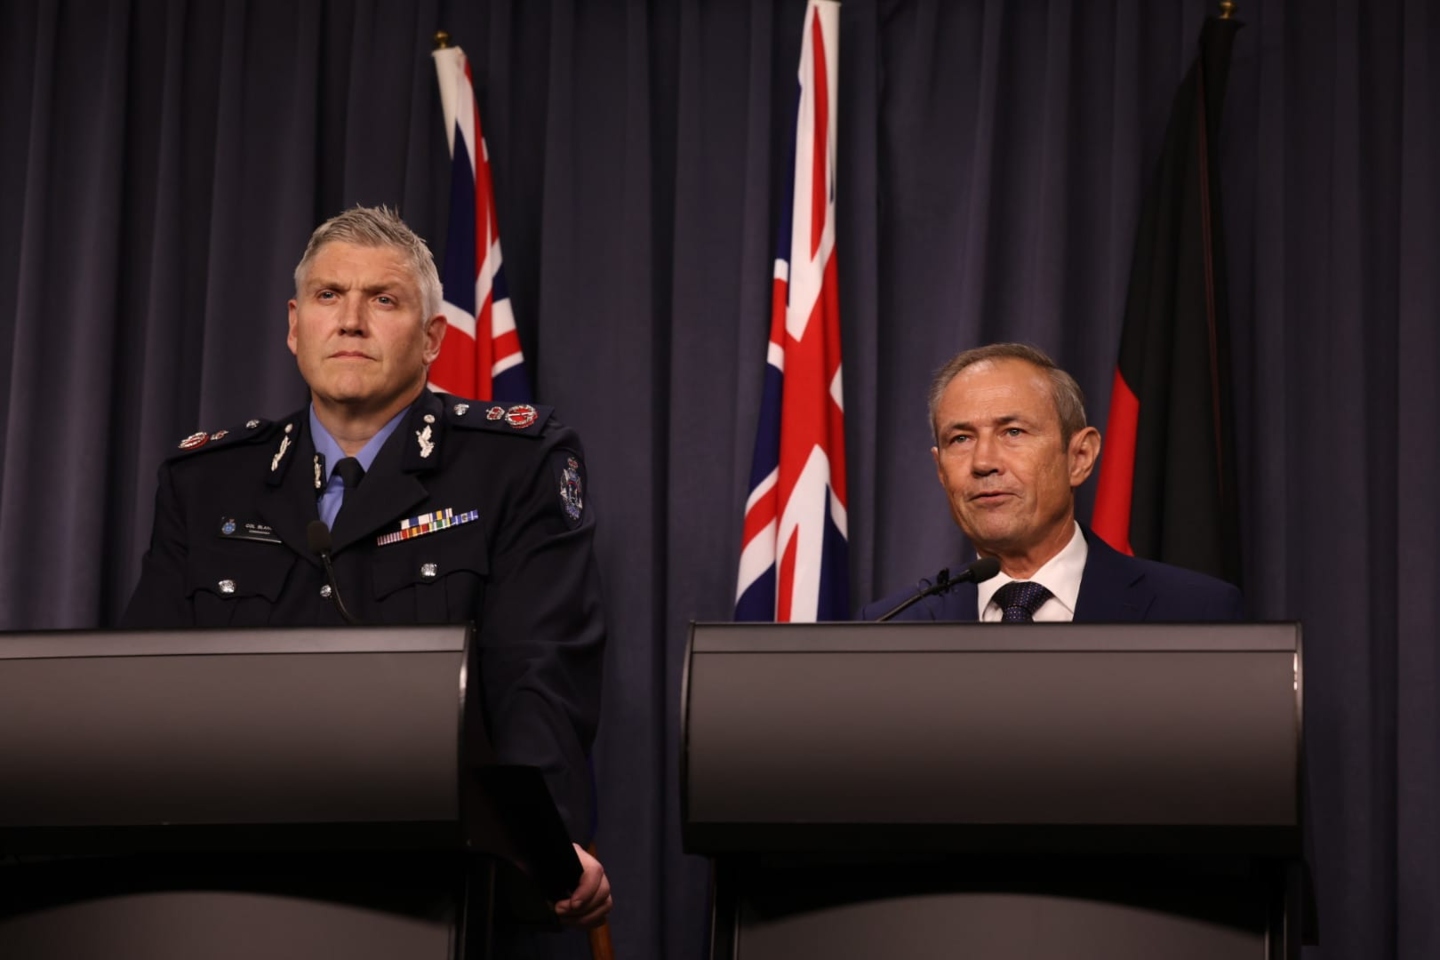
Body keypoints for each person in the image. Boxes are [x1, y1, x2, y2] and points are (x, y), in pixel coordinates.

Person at [122, 205, 613, 932]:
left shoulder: (514, 466)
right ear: (296, 326)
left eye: (383, 300)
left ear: (432, 338)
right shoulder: (206, 482)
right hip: (233, 875)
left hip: (438, 879)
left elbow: (537, 675)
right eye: (329, 296)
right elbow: (145, 691)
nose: (350, 321)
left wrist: (541, 848)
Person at [858, 342, 1242, 622]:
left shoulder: (1195, 610)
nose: (983, 462)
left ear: (1079, 457)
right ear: (941, 471)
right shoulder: (888, 627)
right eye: (960, 439)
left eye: (1013, 432)